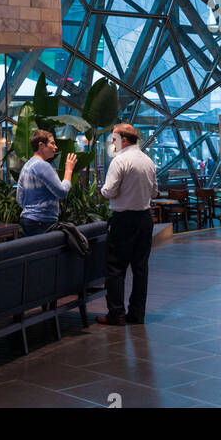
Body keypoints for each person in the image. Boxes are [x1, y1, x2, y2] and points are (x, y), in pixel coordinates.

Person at [97, 122, 158, 327]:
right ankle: (137, 313)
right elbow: (154, 192)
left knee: (115, 267)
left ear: (123, 139)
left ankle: (116, 314)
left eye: (113, 138)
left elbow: (109, 191)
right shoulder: (148, 161)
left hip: (123, 220)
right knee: (141, 268)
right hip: (144, 218)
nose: (111, 143)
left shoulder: (120, 161)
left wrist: (102, 190)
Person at [15, 130, 76, 236]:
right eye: (52, 143)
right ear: (41, 145)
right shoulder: (42, 166)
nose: (55, 147)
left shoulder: (27, 165)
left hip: (27, 221)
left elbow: (19, 199)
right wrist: (68, 170)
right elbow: (62, 192)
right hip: (42, 223)